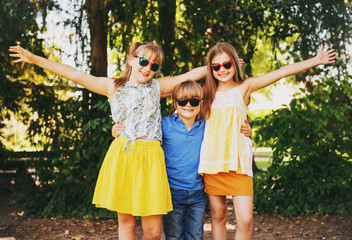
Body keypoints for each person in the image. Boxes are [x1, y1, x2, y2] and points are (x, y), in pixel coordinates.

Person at [9, 42, 207, 240]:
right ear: (131, 60)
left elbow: (189, 76)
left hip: (151, 159)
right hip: (124, 156)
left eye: (154, 66)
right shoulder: (113, 86)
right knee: (127, 223)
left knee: (154, 232)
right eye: (144, 61)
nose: (148, 68)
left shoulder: (156, 86)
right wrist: (34, 59)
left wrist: (221, 63)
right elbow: (75, 74)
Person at [199, 42, 336, 240]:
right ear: (210, 69)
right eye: (216, 66)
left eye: (227, 64)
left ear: (235, 65)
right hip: (213, 162)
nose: (222, 70)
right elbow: (175, 91)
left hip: (238, 163)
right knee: (218, 215)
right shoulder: (206, 92)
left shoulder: (244, 87)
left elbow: (280, 72)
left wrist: (315, 60)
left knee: (245, 220)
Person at [112, 80, 252, 239]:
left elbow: (228, 129)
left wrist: (248, 130)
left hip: (197, 193)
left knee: (195, 236)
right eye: (182, 101)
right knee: (174, 236)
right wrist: (117, 130)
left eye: (193, 101)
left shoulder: (207, 125)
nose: (188, 105)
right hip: (172, 192)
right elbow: (141, 131)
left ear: (201, 103)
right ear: (175, 103)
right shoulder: (164, 124)